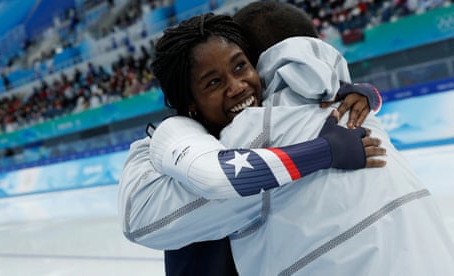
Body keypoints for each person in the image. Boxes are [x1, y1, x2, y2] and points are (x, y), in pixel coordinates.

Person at [119, 11, 454, 276]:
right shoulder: (173, 137)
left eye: (241, 67)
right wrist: (325, 150)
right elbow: (215, 177)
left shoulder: (324, 110)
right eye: (214, 82)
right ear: (190, 101)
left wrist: (363, 94)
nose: (237, 86)